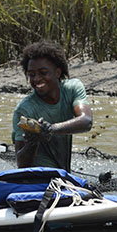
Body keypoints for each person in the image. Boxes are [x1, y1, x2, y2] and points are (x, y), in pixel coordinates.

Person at [11, 40, 93, 172]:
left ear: (57, 72)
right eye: (32, 75)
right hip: (37, 177)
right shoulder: (24, 110)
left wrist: (50, 129)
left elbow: (86, 121)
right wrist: (34, 140)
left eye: (43, 73)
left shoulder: (72, 89)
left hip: (62, 173)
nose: (37, 79)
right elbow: (21, 164)